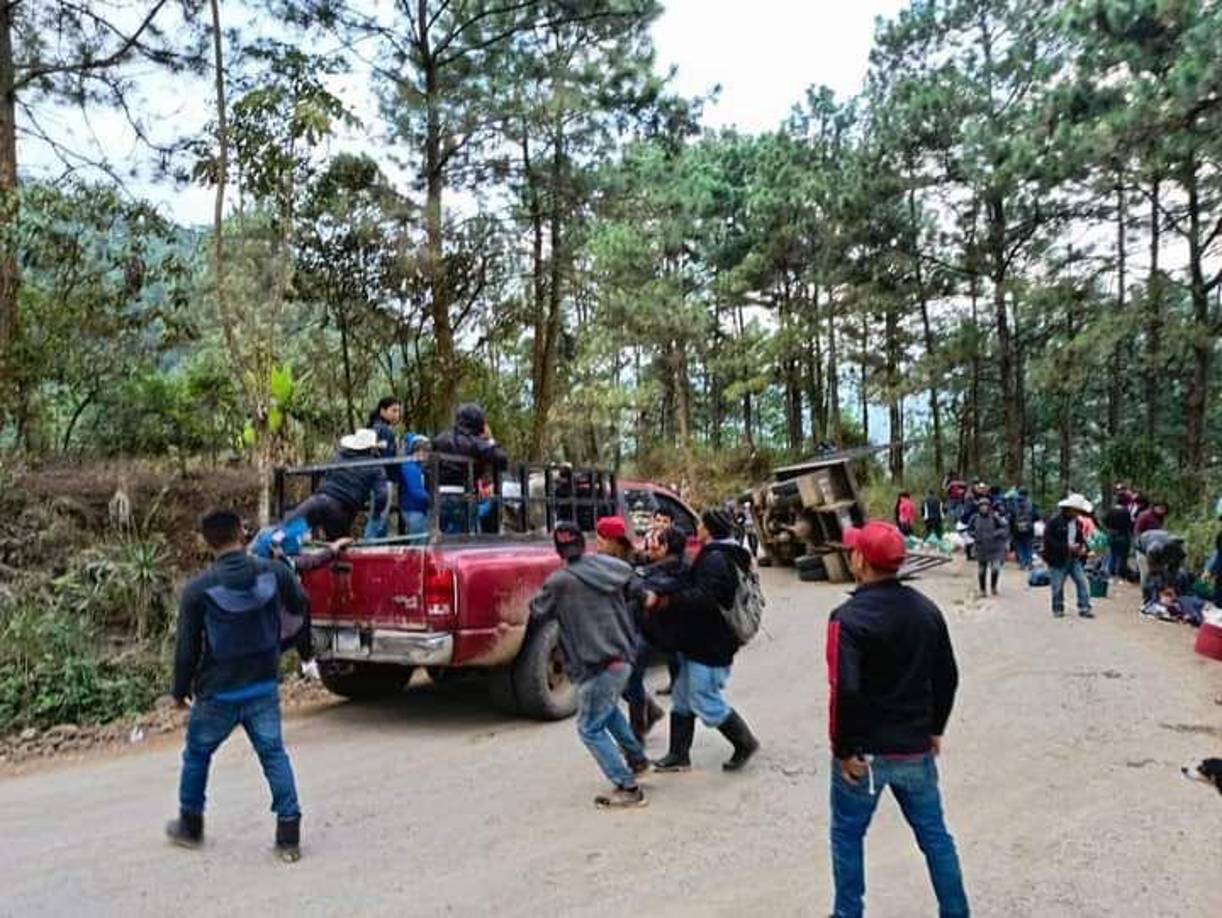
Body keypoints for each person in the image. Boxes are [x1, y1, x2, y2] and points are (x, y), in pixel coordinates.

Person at [826, 520, 968, 918]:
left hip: (865, 755)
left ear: (860, 560)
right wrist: (935, 729)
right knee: (935, 838)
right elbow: (948, 676)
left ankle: (847, 913)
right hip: (915, 749)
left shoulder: (847, 619)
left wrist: (844, 750)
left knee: (848, 837)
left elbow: (844, 690)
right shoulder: (926, 610)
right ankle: (956, 912)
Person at [165, 510, 311, 862]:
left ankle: (190, 826)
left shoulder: (198, 590)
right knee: (273, 754)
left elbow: (187, 648)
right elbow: (300, 606)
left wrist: (180, 692)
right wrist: (290, 646)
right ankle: (288, 835)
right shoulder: (275, 573)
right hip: (263, 683)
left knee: (198, 754)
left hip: (218, 691)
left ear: (207, 542)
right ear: (242, 535)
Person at [529, 522, 649, 808]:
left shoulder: (559, 582)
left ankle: (628, 787)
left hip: (596, 664)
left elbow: (537, 611)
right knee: (608, 713)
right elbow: (640, 590)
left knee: (589, 728)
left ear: (559, 550)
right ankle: (637, 760)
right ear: (585, 544)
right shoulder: (613, 567)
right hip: (623, 658)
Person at [647, 508, 759, 773]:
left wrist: (670, 600)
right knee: (682, 697)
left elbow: (706, 599)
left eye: (700, 524)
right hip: (699, 642)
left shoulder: (716, 559)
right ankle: (678, 755)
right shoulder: (718, 554)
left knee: (703, 698)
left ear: (708, 529)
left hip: (712, 643)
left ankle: (745, 742)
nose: (697, 528)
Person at [624, 524, 688, 740]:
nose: (648, 545)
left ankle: (638, 731)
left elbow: (649, 593)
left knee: (630, 678)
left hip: (663, 635)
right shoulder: (656, 565)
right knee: (628, 679)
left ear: (665, 547)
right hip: (650, 632)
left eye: (655, 541)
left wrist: (637, 583)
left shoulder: (676, 571)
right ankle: (646, 717)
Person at [285, 429, 387, 540]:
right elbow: (382, 496)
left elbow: (327, 475)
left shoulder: (339, 457)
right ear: (372, 448)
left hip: (318, 499)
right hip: (340, 508)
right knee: (339, 543)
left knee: (286, 529)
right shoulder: (375, 466)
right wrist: (376, 515)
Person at [432, 403, 509, 534]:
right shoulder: (475, 442)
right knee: (465, 536)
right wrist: (490, 440)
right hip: (462, 495)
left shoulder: (441, 439)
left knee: (443, 535)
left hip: (439, 495)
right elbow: (501, 459)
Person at [1041, 494, 1094, 619]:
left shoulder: (1077, 523)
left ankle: (1084, 607)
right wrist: (1066, 547)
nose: (1078, 513)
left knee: (1082, 582)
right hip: (1057, 559)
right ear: (1070, 509)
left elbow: (1080, 538)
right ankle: (1058, 608)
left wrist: (1083, 549)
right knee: (1057, 585)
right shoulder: (1054, 522)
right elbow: (1048, 541)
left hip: (1074, 558)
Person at [968, 498, 1009, 596]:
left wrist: (996, 534)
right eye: (981, 506)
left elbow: (1004, 528)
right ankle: (982, 590)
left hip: (995, 547)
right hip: (981, 547)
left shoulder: (994, 517)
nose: (983, 508)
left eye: (985, 505)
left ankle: (993, 587)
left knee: (995, 568)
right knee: (982, 570)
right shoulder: (975, 518)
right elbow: (969, 530)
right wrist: (974, 535)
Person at [399, 434, 432, 537]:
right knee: (419, 541)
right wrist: (433, 500)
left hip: (419, 510)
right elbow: (416, 491)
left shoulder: (419, 466)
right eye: (419, 449)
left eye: (426, 450)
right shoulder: (410, 467)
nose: (424, 453)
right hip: (414, 510)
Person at [1133, 500, 1169, 592]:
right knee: (1145, 572)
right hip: (1143, 548)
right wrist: (1140, 546)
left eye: (1164, 509)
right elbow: (1137, 532)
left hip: (1157, 550)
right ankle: (1146, 593)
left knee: (1158, 572)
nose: (1162, 510)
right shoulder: (1144, 516)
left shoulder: (1161, 518)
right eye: (1160, 508)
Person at [1103, 492, 1134, 581]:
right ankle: (1121, 574)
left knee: (1113, 554)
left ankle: (1110, 573)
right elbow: (1129, 524)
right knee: (1123, 556)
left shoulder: (1111, 510)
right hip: (1123, 535)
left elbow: (1105, 521)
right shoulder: (1126, 512)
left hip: (1112, 534)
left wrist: (1109, 529)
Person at [1009, 488, 1038, 570]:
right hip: (1029, 528)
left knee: (1020, 546)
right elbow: (1036, 516)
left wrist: (1011, 528)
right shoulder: (1032, 504)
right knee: (1029, 546)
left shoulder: (1014, 503)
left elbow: (1011, 517)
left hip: (1017, 528)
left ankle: (1022, 563)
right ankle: (1030, 563)